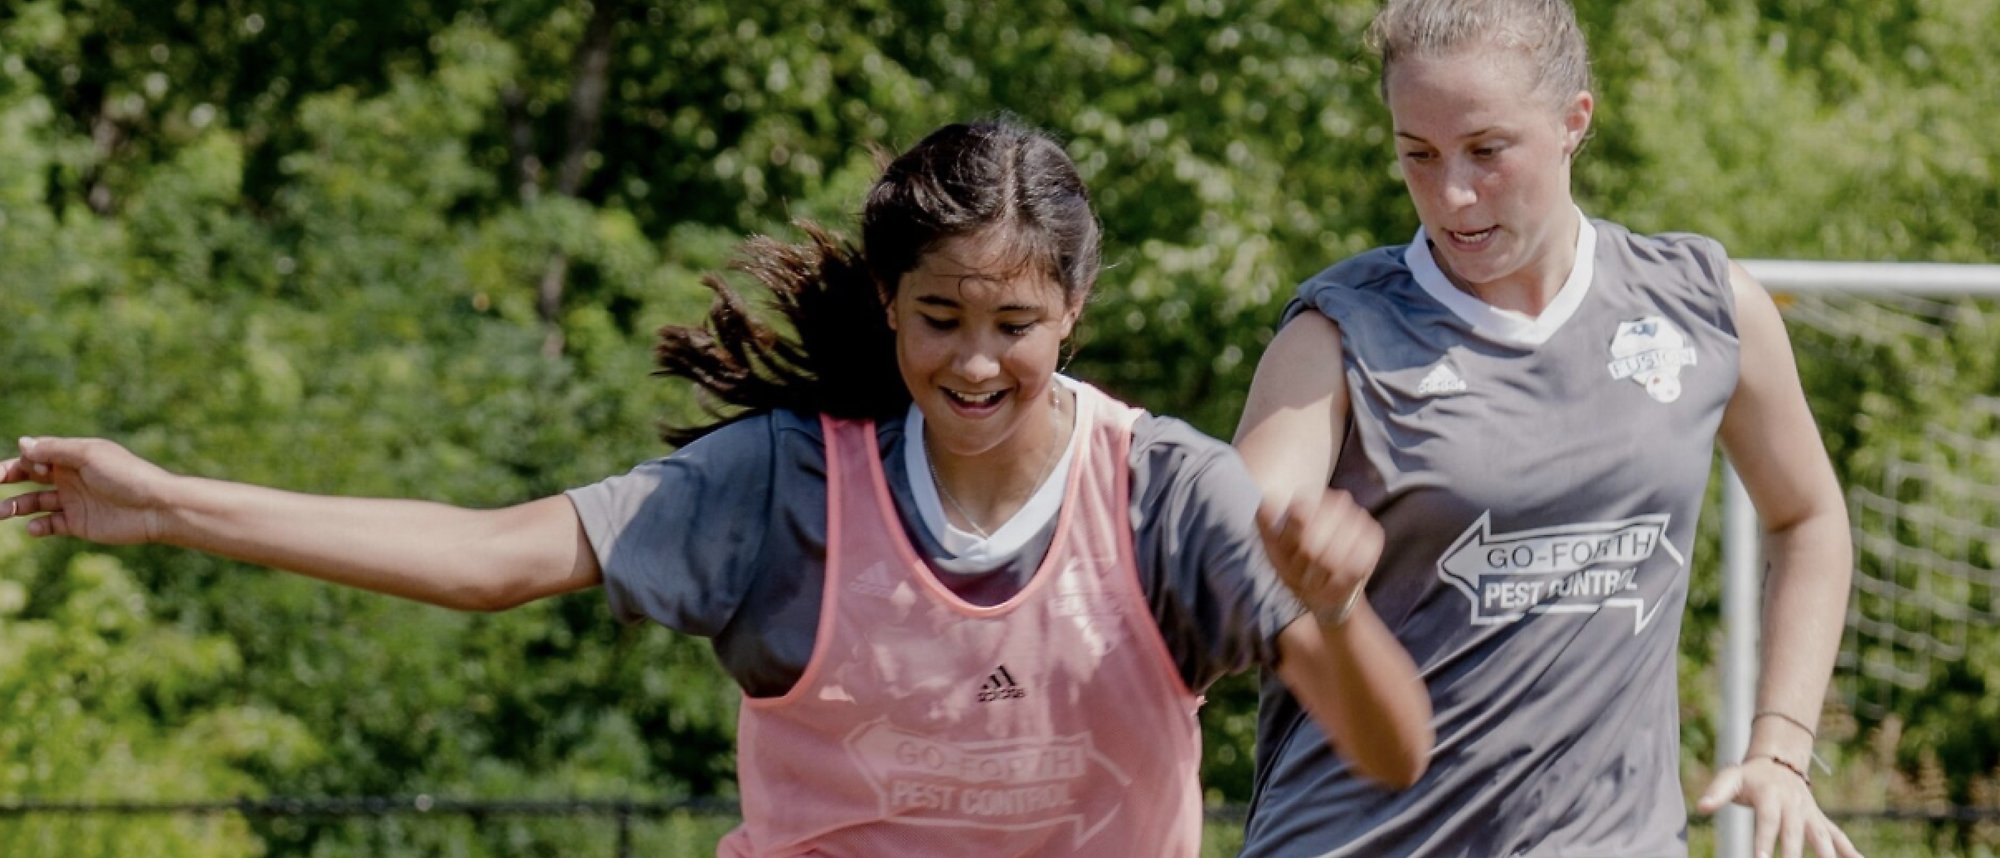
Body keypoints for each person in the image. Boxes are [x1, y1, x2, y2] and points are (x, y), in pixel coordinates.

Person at [2, 119, 1430, 857]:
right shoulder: (787, 486)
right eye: (941, 319)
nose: (979, 360)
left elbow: (1391, 750)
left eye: (1015, 323)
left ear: (1075, 310)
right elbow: (495, 556)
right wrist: (172, 502)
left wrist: (1340, 609)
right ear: (887, 307)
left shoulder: (1165, 494)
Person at [1230, 2, 1862, 856]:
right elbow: (1233, 554)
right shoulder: (1338, 336)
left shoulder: (1704, 305)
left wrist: (1782, 746)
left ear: (1575, 123)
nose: (1452, 194)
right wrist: (1298, 574)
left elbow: (1809, 518)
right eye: (1418, 154)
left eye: (1487, 151)